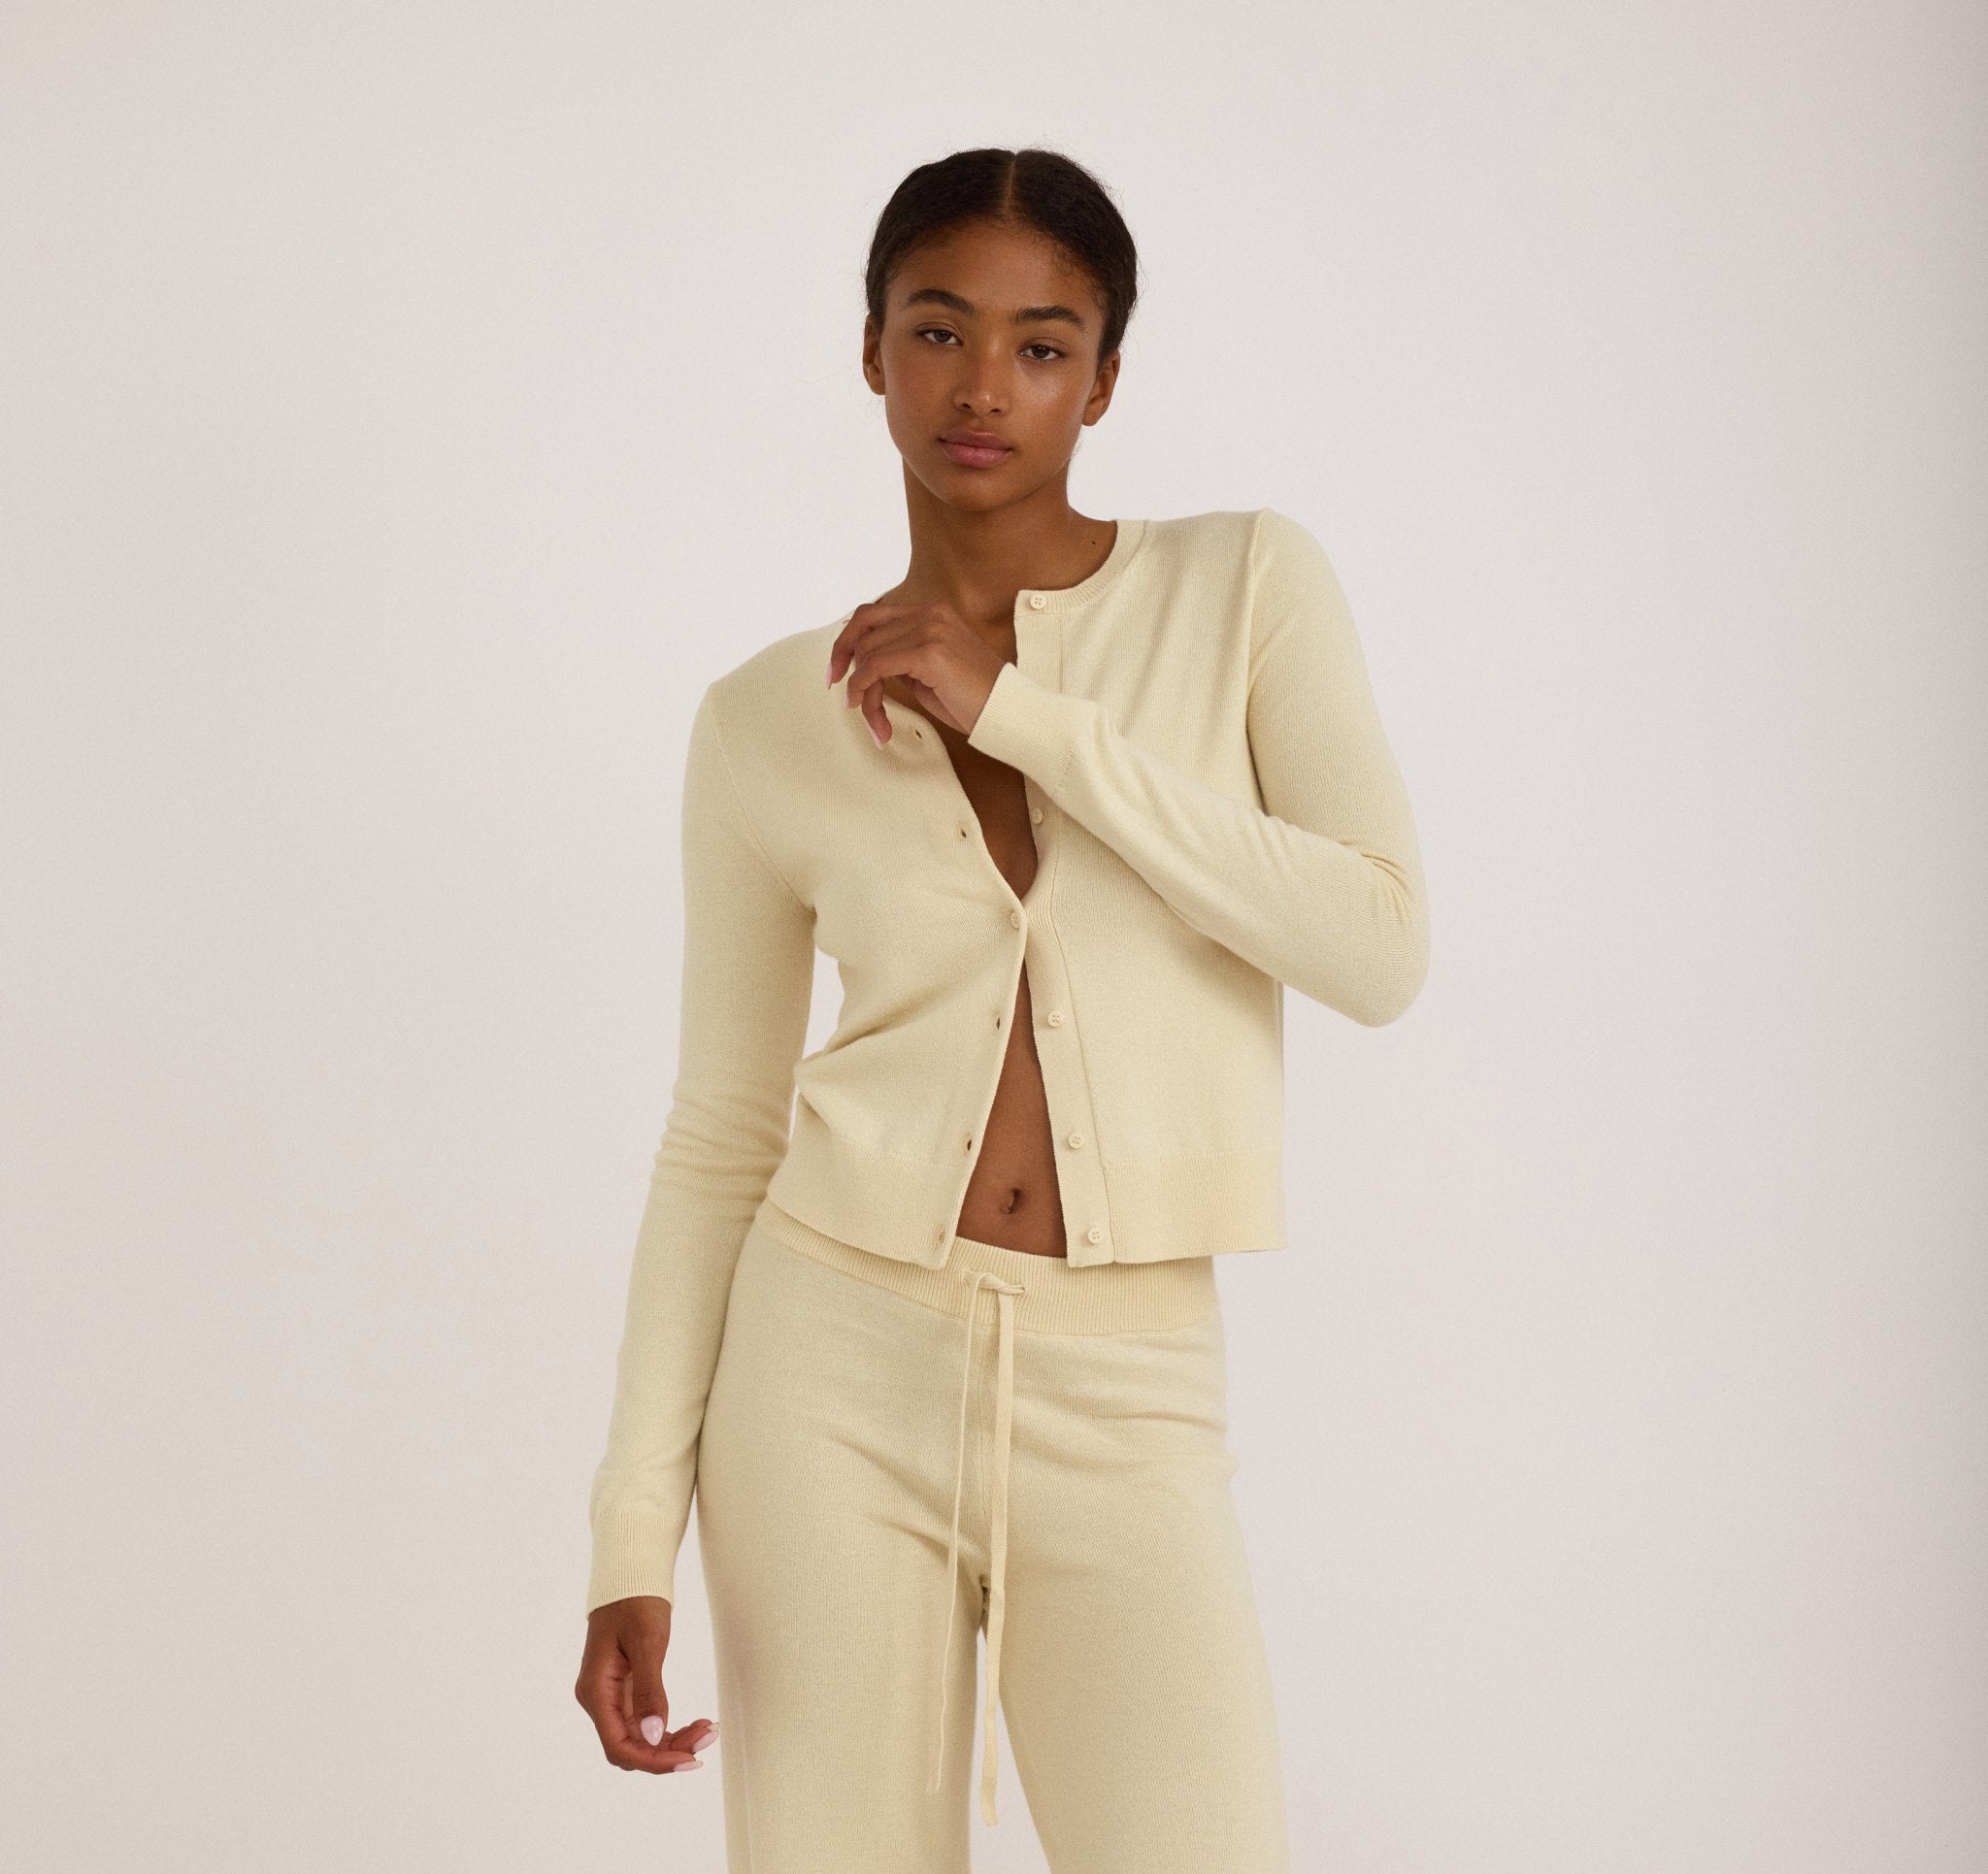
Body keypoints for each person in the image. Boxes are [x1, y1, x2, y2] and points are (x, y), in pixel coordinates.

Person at [573, 144, 1430, 1873]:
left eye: (1042, 346)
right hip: (826, 1371)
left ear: (1103, 379)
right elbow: (721, 1132)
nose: (983, 387)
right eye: (939, 329)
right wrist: (629, 1534)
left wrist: (1028, 718)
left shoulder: (1245, 589)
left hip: (1130, 1377)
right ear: (871, 350)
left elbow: (1375, 947)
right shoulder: (764, 720)